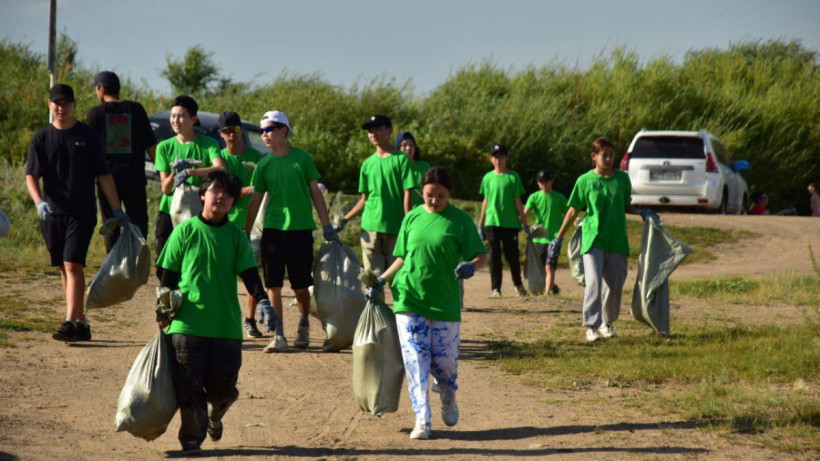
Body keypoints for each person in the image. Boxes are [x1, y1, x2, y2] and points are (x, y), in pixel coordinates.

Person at [156, 171, 274, 455]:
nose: (220, 197)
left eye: (227, 194)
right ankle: (192, 439)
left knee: (224, 389)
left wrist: (263, 300)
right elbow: (167, 274)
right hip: (187, 323)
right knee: (189, 386)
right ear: (202, 196)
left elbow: (248, 272)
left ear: (233, 202)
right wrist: (162, 311)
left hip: (225, 325)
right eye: (215, 191)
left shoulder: (236, 236)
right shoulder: (184, 231)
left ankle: (214, 415)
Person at [374, 166, 487, 440]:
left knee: (444, 364)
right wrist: (380, 280)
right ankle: (422, 419)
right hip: (409, 298)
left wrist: (471, 267)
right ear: (421, 193)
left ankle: (448, 395)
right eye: (429, 195)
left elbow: (480, 255)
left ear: (450, 195)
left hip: (445, 302)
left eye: (441, 196)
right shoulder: (412, 217)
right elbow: (401, 257)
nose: (435, 201)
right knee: (415, 360)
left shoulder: (460, 220)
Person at [25, 83, 130, 342]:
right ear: (49, 105)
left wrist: (117, 209)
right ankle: (81, 323)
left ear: (73, 105)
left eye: (65, 103)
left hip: (81, 212)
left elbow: (104, 176)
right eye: (56, 103)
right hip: (52, 213)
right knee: (64, 267)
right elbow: (31, 175)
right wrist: (39, 201)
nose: (61, 108)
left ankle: (70, 321)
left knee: (73, 264)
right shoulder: (41, 137)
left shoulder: (87, 136)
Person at [244, 110, 337, 353]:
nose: (264, 134)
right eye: (262, 130)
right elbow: (255, 200)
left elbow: (316, 192)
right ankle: (279, 334)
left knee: (300, 285)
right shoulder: (263, 164)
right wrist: (245, 232)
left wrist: (326, 224)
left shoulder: (302, 159)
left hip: (300, 229)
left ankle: (304, 321)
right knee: (273, 283)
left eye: (270, 129)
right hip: (272, 230)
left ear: (283, 130)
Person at [551, 137, 656, 342]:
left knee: (615, 285)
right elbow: (573, 209)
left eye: (611, 155)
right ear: (594, 157)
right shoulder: (585, 181)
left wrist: (642, 212)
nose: (608, 159)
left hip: (616, 239)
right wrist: (559, 236)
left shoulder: (622, 179)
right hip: (593, 239)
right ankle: (591, 325)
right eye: (604, 155)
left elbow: (625, 205)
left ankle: (607, 323)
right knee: (593, 282)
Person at [153, 95, 225, 281]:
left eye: (181, 116)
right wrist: (174, 174)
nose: (175, 120)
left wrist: (191, 172)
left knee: (195, 259)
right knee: (164, 261)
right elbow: (165, 189)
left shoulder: (208, 144)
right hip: (169, 211)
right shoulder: (164, 147)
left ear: (193, 119)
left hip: (197, 211)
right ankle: (167, 300)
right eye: (173, 116)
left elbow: (220, 168)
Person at [86, 71, 157, 251]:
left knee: (111, 225)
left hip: (106, 181)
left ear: (101, 89)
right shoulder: (137, 109)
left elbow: (88, 151)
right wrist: (164, 173)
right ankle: (137, 263)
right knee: (139, 222)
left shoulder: (95, 114)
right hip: (135, 178)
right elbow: (151, 146)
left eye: (96, 88)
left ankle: (114, 266)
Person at [337, 115, 415, 274]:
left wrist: (409, 223)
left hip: (396, 227)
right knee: (373, 276)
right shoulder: (367, 164)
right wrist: (345, 219)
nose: (373, 134)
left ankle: (398, 301)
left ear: (390, 131)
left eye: (378, 129)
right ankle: (374, 300)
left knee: (397, 276)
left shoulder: (401, 160)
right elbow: (364, 200)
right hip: (370, 227)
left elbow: (408, 194)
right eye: (370, 131)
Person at [216, 111, 266, 339]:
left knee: (251, 273)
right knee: (223, 274)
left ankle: (250, 320)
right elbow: (222, 191)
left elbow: (266, 185)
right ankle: (224, 318)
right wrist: (247, 189)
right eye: (226, 131)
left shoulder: (256, 156)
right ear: (221, 134)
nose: (231, 135)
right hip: (226, 224)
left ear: (241, 130)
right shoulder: (219, 159)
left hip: (252, 224)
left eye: (235, 130)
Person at [477, 144, 529, 298]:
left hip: (510, 223)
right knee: (494, 256)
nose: (497, 159)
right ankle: (496, 288)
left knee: (512, 256)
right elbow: (485, 201)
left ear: (506, 158)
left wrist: (524, 222)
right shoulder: (487, 178)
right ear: (491, 159)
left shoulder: (513, 177)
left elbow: (518, 201)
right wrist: (481, 223)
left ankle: (518, 285)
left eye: (500, 156)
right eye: (495, 156)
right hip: (492, 223)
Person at [524, 170, 568, 295]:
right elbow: (524, 213)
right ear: (538, 183)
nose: (544, 184)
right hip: (539, 238)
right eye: (541, 182)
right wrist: (523, 224)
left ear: (552, 181)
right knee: (541, 268)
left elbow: (568, 214)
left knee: (549, 267)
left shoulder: (560, 198)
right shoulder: (534, 197)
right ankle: (553, 287)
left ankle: (546, 293)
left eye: (547, 181)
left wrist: (570, 225)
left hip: (554, 237)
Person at [395, 131, 431, 208]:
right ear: (398, 148)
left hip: (423, 211)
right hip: (400, 212)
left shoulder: (424, 166)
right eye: (404, 145)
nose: (408, 148)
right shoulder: (394, 168)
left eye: (411, 145)